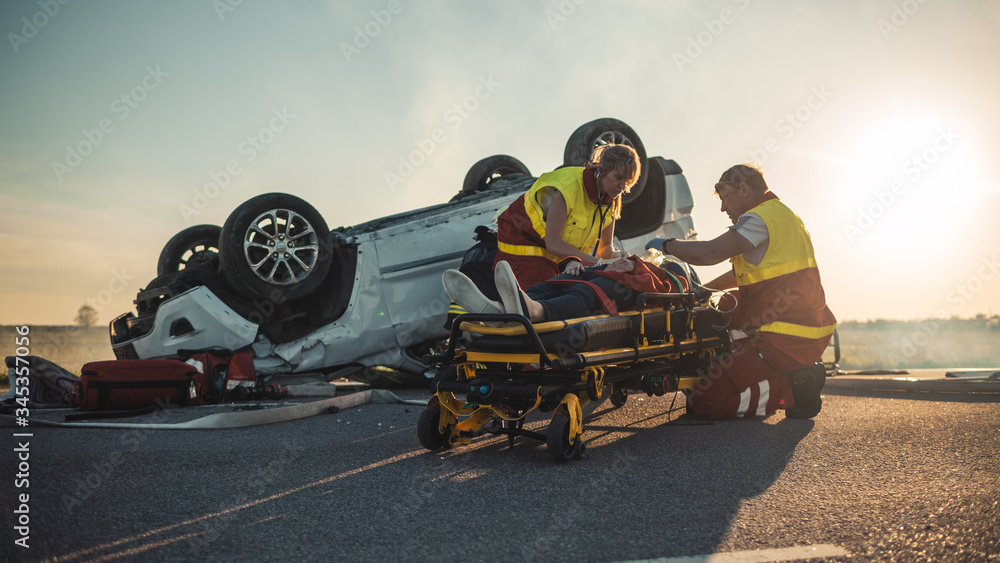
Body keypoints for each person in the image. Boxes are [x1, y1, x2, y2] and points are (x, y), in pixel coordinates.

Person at [649, 163, 836, 420]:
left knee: (703, 402)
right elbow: (746, 274)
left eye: (726, 197)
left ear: (745, 190)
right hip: (803, 327)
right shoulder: (783, 215)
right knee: (727, 302)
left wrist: (666, 245)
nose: (723, 207)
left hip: (783, 336)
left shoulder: (758, 219)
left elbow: (710, 253)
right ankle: (760, 370)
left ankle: (795, 387)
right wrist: (703, 291)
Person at [494, 144, 641, 289]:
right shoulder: (568, 187)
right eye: (619, 177)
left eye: (628, 181)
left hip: (557, 256)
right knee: (542, 297)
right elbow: (554, 244)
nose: (623, 186)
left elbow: (604, 248)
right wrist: (599, 262)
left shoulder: (612, 198)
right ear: (602, 169)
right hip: (523, 244)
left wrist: (617, 256)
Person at [443, 257, 688, 324]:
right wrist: (573, 262)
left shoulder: (671, 277)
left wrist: (637, 265)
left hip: (614, 289)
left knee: (583, 296)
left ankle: (535, 312)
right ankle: (497, 310)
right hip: (589, 275)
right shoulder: (629, 260)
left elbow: (672, 289)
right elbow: (598, 261)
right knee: (547, 286)